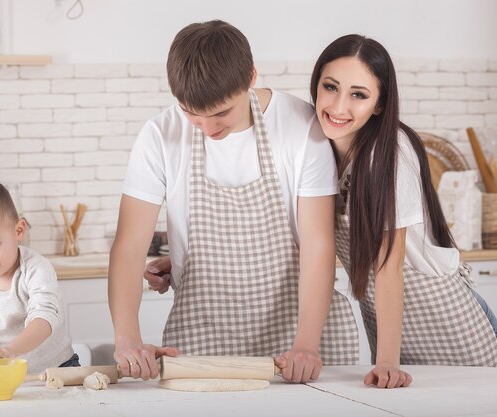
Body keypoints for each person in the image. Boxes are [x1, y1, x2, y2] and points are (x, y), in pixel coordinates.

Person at [108, 20, 359, 384]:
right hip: (201, 342)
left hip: (298, 342)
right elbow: (129, 247)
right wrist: (127, 338)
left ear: (251, 77)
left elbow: (318, 245)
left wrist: (306, 343)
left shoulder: (301, 126)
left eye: (221, 113)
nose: (208, 128)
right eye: (191, 112)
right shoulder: (160, 135)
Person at [310, 34, 497, 388]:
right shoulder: (323, 146)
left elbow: (387, 267)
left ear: (379, 104)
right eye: (330, 86)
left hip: (449, 322)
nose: (337, 106)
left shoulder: (388, 152)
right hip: (390, 324)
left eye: (358, 95)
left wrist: (387, 361)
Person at [0, 179, 78, 393]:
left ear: (18, 231)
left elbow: (44, 318)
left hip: (58, 372)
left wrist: (10, 350)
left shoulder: (37, 269)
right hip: (3, 375)